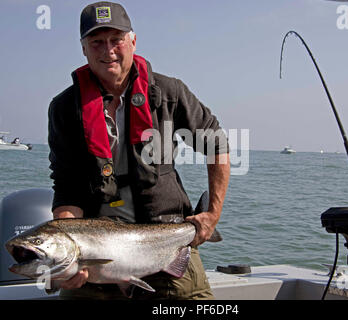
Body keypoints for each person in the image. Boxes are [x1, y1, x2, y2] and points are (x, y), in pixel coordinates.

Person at [48, 1, 230, 300]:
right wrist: (68, 253)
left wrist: (212, 214)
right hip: (98, 247)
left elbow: (218, 145)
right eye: (96, 42)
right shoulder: (65, 107)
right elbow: (66, 185)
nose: (108, 50)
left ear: (133, 41)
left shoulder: (170, 92)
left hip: (168, 236)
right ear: (83, 48)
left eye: (116, 40)